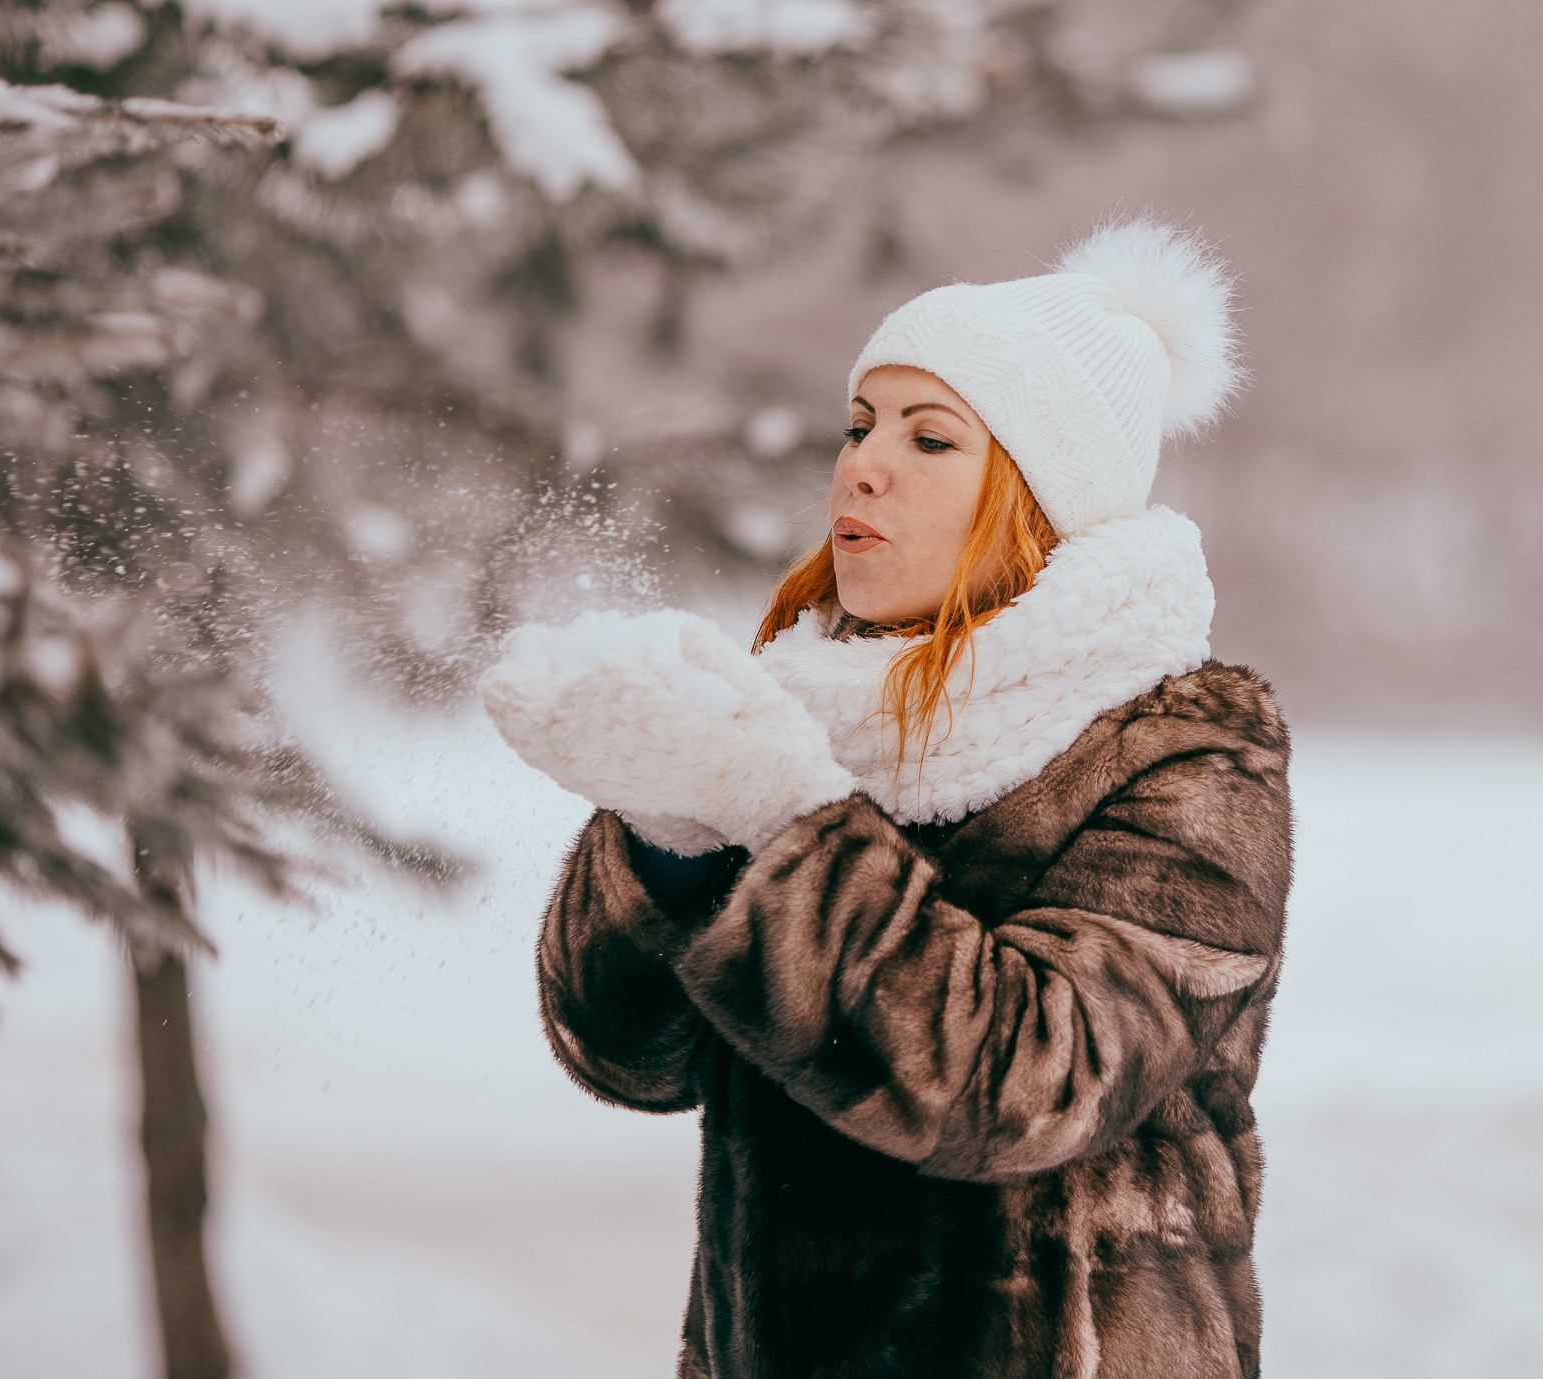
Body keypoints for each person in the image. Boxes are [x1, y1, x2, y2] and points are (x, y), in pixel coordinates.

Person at [481, 218, 1292, 1379]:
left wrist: (781, 813)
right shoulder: (807, 715)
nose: (862, 464)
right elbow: (624, 1058)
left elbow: (1024, 1084)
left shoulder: (1184, 759)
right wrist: (666, 839)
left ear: (1038, 496)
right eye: (858, 424)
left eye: (929, 436)